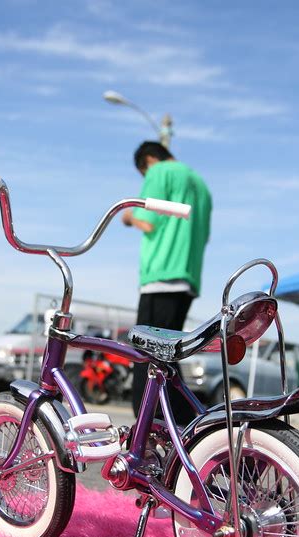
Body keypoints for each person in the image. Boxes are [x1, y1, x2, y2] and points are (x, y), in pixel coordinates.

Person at [122, 141, 212, 424]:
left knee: (145, 354)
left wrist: (128, 216)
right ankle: (187, 424)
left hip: (161, 272)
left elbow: (147, 220)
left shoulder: (159, 171)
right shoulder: (200, 184)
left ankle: (146, 429)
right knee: (167, 355)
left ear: (148, 160)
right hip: (187, 274)